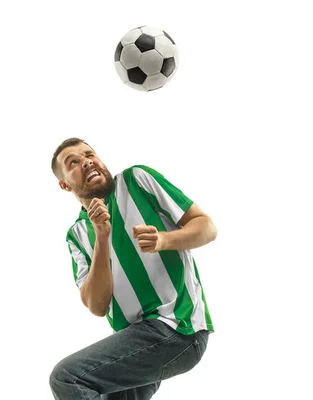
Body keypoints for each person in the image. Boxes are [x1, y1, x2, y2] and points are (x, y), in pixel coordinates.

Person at [49, 138, 217, 399]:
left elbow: (207, 227)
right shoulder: (77, 234)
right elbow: (97, 305)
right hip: (136, 341)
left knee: (68, 378)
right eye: (74, 162)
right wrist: (101, 238)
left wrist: (164, 240)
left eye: (89, 154)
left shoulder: (136, 179)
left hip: (176, 327)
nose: (86, 161)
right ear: (64, 184)